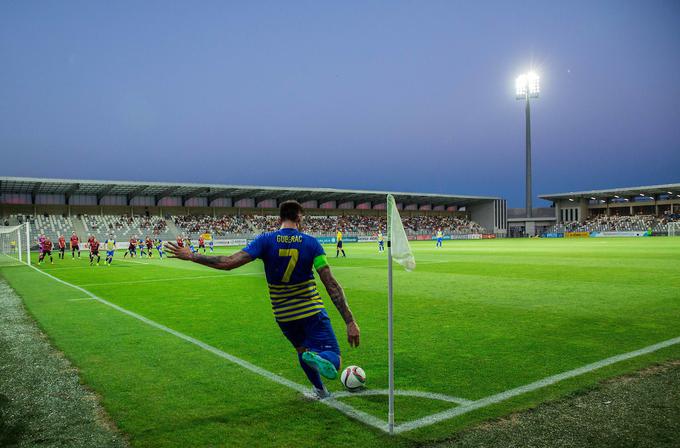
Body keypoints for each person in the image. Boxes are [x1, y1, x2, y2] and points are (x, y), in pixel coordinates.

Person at [165, 200, 360, 399]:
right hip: (311, 310)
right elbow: (331, 284)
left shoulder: (266, 240)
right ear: (299, 218)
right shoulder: (311, 243)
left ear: (280, 218)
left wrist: (193, 256)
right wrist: (350, 320)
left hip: (284, 315)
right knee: (334, 359)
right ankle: (320, 358)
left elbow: (229, 263)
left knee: (302, 349)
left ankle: (319, 390)